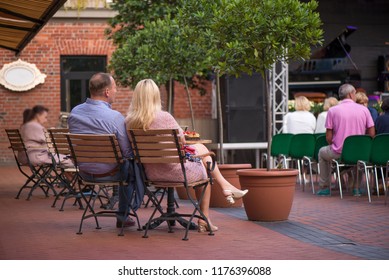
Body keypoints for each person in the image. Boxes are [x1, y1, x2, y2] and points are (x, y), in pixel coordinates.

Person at [125, 78, 248, 232]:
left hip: (150, 173)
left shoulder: (129, 122)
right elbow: (181, 140)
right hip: (176, 172)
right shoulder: (164, 117)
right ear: (155, 96)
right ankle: (207, 215)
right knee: (205, 166)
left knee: (203, 154)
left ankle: (225, 187)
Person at [68, 72, 136, 228]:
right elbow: (127, 152)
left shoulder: (74, 113)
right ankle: (123, 215)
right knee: (132, 166)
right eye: (115, 88)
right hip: (110, 173)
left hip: (83, 172)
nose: (116, 91)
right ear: (107, 92)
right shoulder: (114, 117)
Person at [316, 84, 375, 196]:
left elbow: (328, 137)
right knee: (359, 156)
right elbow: (371, 134)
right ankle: (356, 188)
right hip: (360, 152)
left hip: (339, 152)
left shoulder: (332, 111)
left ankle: (325, 187)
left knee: (321, 153)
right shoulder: (364, 110)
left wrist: (334, 145)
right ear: (350, 94)